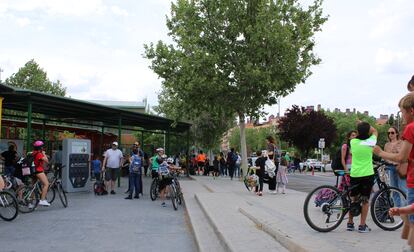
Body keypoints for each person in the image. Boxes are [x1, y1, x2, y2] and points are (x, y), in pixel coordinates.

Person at [374, 92, 414, 248]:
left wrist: (379, 152)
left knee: (412, 224)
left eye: (403, 112)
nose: (402, 116)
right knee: (408, 221)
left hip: (412, 179)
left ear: (411, 111)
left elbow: (401, 157)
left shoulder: (410, 128)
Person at [347, 121, 378, 233]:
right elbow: (375, 131)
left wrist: (360, 125)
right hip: (367, 174)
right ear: (368, 131)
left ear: (358, 131)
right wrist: (367, 125)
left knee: (353, 199)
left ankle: (350, 223)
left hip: (355, 174)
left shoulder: (353, 142)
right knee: (365, 200)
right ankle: (362, 225)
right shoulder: (371, 142)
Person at [384, 126, 407, 206]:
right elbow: (385, 156)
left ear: (396, 133)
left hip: (400, 167)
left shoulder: (402, 143)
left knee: (403, 189)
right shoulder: (387, 145)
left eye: (392, 132)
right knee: (394, 189)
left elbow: (404, 155)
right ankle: (398, 210)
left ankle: (406, 209)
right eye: (389, 133)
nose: (390, 134)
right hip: (390, 168)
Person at [32, 140, 50, 206]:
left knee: (33, 187)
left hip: (32, 171)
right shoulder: (39, 154)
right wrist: (44, 154)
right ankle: (42, 200)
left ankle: (30, 203)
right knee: (46, 184)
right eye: (42, 147)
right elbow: (47, 161)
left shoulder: (33, 153)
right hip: (38, 171)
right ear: (41, 147)